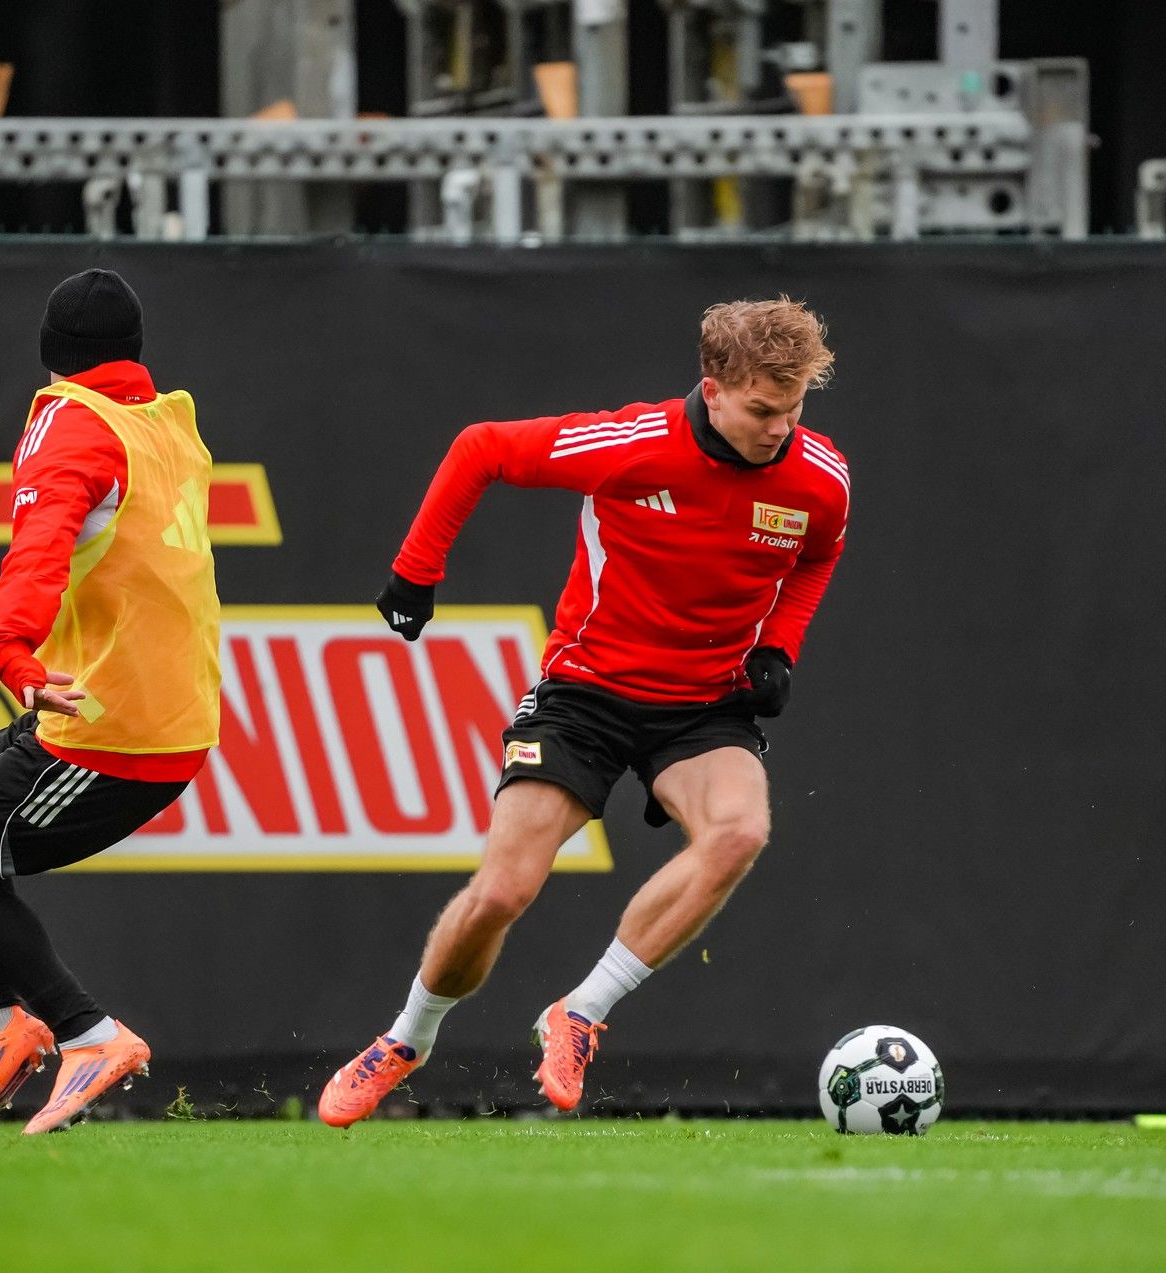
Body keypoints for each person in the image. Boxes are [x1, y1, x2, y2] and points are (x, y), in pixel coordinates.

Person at [319, 298, 848, 1127]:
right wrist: (417, 571)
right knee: (502, 892)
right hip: (586, 694)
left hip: (704, 706)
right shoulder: (635, 444)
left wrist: (779, 647)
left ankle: (581, 1011)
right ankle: (404, 1040)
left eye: (794, 409)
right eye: (762, 410)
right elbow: (481, 448)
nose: (780, 429)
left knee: (740, 832)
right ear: (712, 390)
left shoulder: (820, 476)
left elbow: (818, 554)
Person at [0, 269, 222, 1137]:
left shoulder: (73, 420)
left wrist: (11, 646)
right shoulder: (166, 421)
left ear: (53, 353)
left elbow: (40, 543)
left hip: (110, 726)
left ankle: (88, 1032)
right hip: (159, 708)